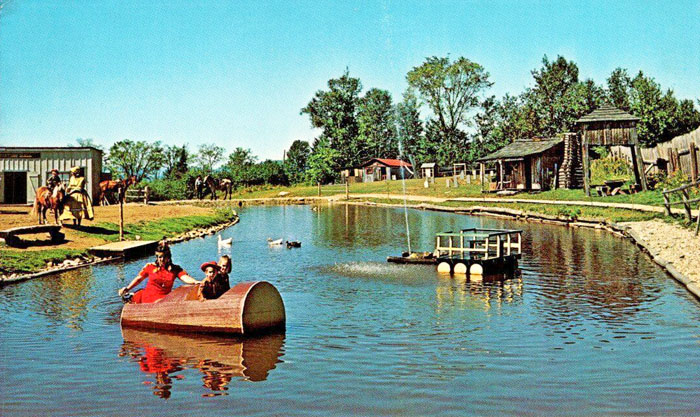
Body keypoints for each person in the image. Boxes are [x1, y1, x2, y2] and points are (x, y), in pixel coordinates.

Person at [119, 241, 200, 303]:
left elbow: (185, 277)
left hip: (164, 299)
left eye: (164, 257)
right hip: (147, 297)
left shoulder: (175, 269)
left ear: (168, 257)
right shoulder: (150, 266)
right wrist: (127, 288)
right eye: (159, 257)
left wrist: (195, 282)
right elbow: (139, 279)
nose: (161, 259)